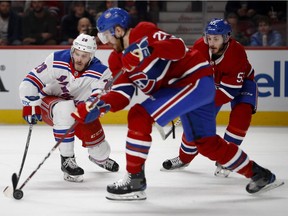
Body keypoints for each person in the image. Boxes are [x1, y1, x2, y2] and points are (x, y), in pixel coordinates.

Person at [73, 7, 281, 200]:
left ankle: (135, 180)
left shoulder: (143, 31)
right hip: (184, 91)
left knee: (139, 115)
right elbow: (121, 95)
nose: (106, 41)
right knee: (206, 143)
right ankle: (260, 174)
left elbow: (178, 48)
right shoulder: (116, 60)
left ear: (118, 30)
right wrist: (100, 105)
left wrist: (148, 49)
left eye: (106, 35)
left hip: (194, 81)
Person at [162, 18, 258, 178]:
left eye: (216, 39)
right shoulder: (201, 46)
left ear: (226, 38)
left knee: (241, 116)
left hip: (241, 85)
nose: (211, 42)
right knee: (195, 123)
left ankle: (226, 160)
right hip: (212, 84)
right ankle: (184, 158)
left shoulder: (236, 52)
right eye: (209, 38)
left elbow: (230, 91)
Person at [19, 33, 119, 183]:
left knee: (102, 150)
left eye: (84, 56)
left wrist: (95, 107)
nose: (79, 59)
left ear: (91, 56)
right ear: (72, 50)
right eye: (77, 54)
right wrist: (29, 104)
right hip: (50, 103)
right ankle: (67, 160)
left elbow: (101, 96)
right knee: (65, 108)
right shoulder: (57, 59)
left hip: (79, 110)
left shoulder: (101, 72)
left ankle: (99, 159)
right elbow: (30, 81)